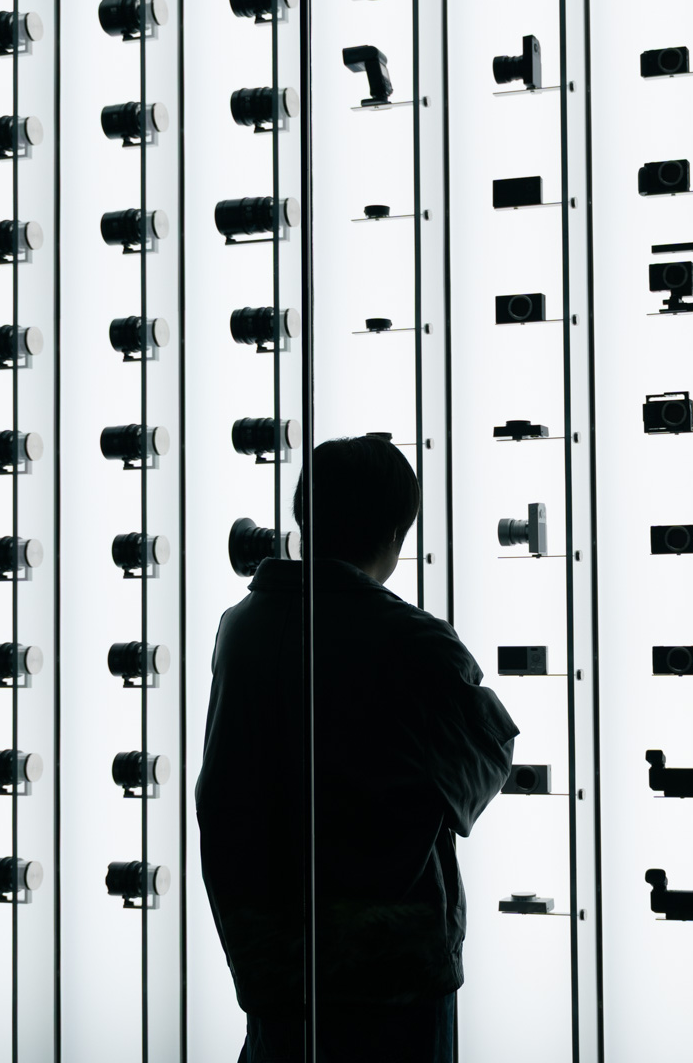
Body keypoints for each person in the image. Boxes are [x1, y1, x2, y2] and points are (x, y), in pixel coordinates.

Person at [197, 435, 518, 1063]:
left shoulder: (240, 628)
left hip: (271, 955)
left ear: (303, 514)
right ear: (396, 534)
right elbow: (480, 768)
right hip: (390, 971)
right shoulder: (413, 640)